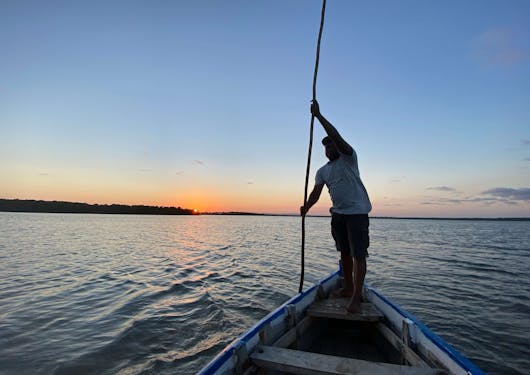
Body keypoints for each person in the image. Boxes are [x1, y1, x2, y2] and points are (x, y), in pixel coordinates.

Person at [300, 100, 372, 314]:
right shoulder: (322, 171)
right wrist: (307, 206)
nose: (330, 147)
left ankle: (356, 296)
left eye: (332, 144)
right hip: (338, 215)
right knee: (344, 253)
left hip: (357, 213)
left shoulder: (349, 158)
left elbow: (338, 137)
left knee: (359, 254)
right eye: (327, 145)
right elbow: (316, 192)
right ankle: (348, 288)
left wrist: (319, 116)